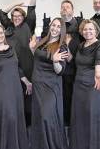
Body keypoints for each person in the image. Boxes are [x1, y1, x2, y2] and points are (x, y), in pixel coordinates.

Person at [0, 0, 45, 125]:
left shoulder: (28, 24)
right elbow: (2, 13)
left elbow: (31, 8)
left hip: (27, 63)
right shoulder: (9, 27)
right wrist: (15, 4)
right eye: (14, 15)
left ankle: (30, 120)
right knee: (15, 92)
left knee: (29, 90)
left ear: (23, 17)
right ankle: (17, 119)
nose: (17, 17)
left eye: (19, 15)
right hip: (12, 64)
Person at [0, 24, 32, 149]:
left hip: (15, 88)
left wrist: (26, 82)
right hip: (1, 90)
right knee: (8, 117)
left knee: (16, 118)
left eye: (1, 33)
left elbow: (18, 68)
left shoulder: (11, 48)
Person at [69, 19, 100, 149]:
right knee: (81, 117)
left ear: (96, 31)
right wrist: (66, 46)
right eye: (85, 29)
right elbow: (74, 61)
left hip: (95, 83)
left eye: (90, 29)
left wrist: (97, 73)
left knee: (95, 117)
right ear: (81, 31)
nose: (88, 31)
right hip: (79, 86)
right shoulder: (80, 46)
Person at [42, 0, 84, 126]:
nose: (65, 9)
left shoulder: (80, 27)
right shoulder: (56, 27)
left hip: (74, 69)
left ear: (72, 10)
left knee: (72, 97)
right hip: (57, 68)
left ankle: (70, 122)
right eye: (63, 7)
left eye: (68, 7)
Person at [29, 17, 69, 149]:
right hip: (38, 85)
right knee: (39, 117)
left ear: (62, 30)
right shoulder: (43, 41)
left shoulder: (62, 46)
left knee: (47, 116)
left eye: (58, 26)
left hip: (51, 87)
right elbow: (38, 58)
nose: (55, 28)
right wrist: (32, 49)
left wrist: (56, 61)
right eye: (54, 25)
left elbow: (60, 71)